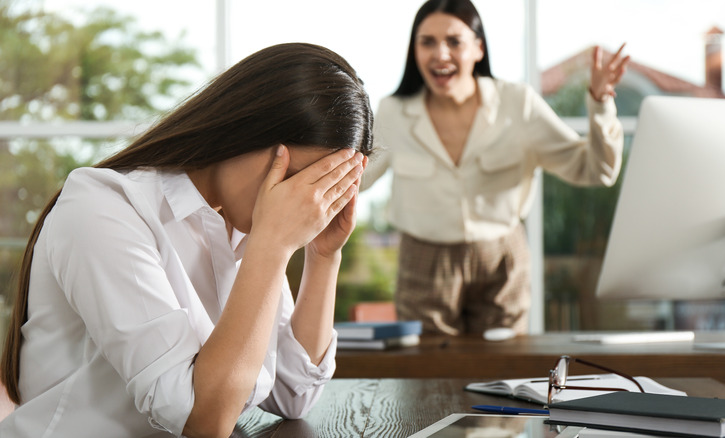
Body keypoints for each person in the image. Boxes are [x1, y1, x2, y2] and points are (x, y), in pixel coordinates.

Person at [0, 42, 372, 437]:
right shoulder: (104, 208)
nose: (301, 202)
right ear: (244, 129)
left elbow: (292, 394)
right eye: (296, 180)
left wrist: (323, 254)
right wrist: (273, 245)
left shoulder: (244, 230)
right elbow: (203, 421)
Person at [360, 0, 628, 336]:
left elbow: (595, 169)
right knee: (428, 366)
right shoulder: (393, 112)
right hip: (423, 261)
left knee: (503, 365)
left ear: (479, 48)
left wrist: (601, 104)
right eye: (427, 42)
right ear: (415, 50)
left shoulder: (518, 103)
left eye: (454, 41)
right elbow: (357, 178)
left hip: (502, 261)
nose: (440, 54)